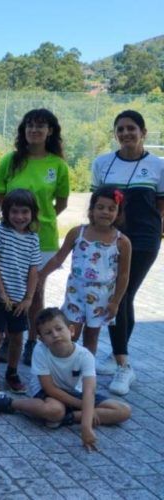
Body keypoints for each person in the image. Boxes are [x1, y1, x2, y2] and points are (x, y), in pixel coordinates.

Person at [0, 308, 131, 452]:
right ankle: (11, 403)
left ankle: (67, 417)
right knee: (53, 410)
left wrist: (86, 426)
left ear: (71, 330)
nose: (55, 335)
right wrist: (86, 407)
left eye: (59, 329)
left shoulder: (85, 356)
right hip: (48, 393)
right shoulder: (40, 350)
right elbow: (50, 389)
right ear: (41, 339)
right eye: (48, 333)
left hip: (74, 392)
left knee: (123, 411)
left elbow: (89, 391)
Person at [90, 110, 164, 394]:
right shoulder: (103, 163)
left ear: (143, 132)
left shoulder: (157, 166)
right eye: (120, 129)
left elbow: (159, 206)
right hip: (111, 238)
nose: (125, 134)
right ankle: (118, 356)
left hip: (144, 240)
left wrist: (149, 229)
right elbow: (97, 203)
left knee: (122, 295)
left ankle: (123, 366)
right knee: (117, 296)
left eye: (131, 128)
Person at [0, 109, 70, 366]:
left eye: (40, 126)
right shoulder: (11, 160)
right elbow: (0, 196)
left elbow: (61, 203)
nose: (34, 130)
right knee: (9, 285)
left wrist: (39, 220)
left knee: (35, 291)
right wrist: (15, 223)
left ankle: (32, 342)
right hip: (11, 237)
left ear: (50, 131)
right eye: (29, 126)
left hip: (43, 238)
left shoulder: (58, 165)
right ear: (23, 131)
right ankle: (8, 337)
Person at [38, 188, 131, 373]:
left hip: (101, 298)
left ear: (118, 213)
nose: (105, 212)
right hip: (76, 293)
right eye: (100, 207)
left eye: (112, 208)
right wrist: (40, 275)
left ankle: (85, 373)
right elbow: (58, 259)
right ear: (91, 210)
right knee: (70, 332)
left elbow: (123, 275)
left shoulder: (122, 242)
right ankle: (63, 368)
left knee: (92, 335)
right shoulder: (77, 233)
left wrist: (115, 302)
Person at [0, 189, 42, 394]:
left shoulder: (33, 238)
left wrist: (28, 298)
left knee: (17, 337)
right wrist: (2, 294)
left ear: (33, 213)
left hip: (20, 297)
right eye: (14, 212)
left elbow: (34, 270)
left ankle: (12, 372)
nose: (19, 217)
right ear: (6, 212)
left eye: (25, 212)